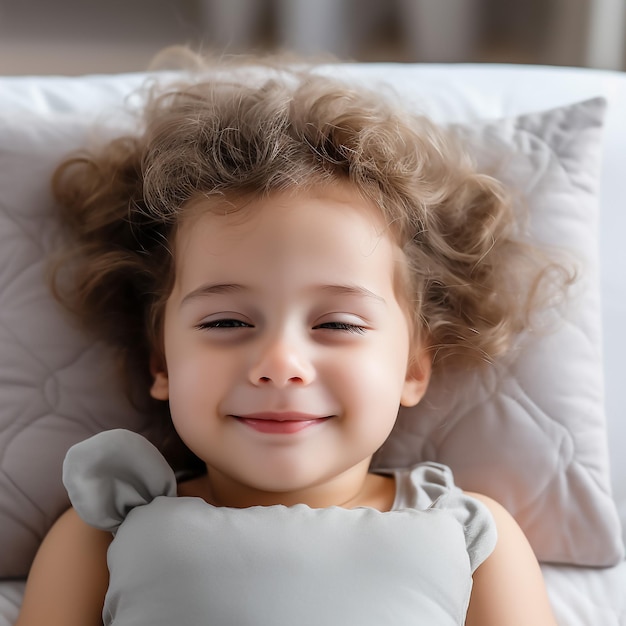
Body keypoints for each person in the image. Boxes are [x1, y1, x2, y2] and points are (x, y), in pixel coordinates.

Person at [16, 53, 563, 625]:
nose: (280, 364)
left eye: (337, 324)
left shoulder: (475, 538)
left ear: (413, 367)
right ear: (163, 362)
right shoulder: (100, 530)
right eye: (226, 323)